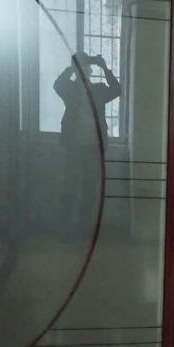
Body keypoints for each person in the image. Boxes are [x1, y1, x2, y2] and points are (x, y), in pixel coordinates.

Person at [53, 52, 121, 236]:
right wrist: (72, 66)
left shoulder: (98, 89)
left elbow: (117, 89)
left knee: (89, 189)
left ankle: (84, 230)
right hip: (74, 146)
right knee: (71, 189)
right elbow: (57, 85)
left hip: (93, 148)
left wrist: (104, 67)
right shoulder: (70, 89)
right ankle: (66, 229)